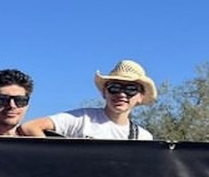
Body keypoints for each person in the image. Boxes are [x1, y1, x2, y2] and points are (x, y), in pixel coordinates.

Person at [19, 60, 157, 139]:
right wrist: (57, 157)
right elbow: (30, 127)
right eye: (114, 87)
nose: (121, 94)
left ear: (140, 97)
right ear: (104, 92)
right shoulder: (82, 119)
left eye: (131, 89)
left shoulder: (143, 137)